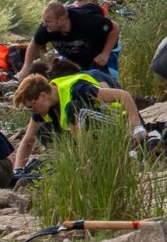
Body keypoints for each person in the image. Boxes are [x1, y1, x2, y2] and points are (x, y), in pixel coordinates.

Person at [9, 71, 147, 169]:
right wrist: (18, 171)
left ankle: (87, 161)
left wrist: (137, 127)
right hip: (92, 133)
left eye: (32, 106)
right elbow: (27, 141)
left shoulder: (78, 89)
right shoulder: (44, 107)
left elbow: (124, 96)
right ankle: (82, 160)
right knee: (43, 131)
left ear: (42, 96)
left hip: (117, 125)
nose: (32, 111)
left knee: (73, 109)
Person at [22, 1, 119, 85]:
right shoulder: (46, 29)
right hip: (77, 57)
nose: (44, 24)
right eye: (43, 21)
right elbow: (35, 43)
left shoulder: (87, 21)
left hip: (103, 53)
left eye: (48, 21)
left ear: (61, 20)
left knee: (105, 81)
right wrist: (26, 67)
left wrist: (105, 54)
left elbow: (115, 28)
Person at [72, 0, 120, 79]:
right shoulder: (87, 12)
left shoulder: (65, 11)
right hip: (92, 65)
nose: (97, 4)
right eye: (96, 1)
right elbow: (114, 28)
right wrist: (105, 53)